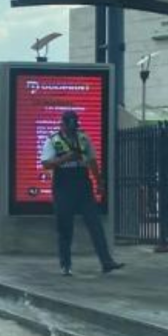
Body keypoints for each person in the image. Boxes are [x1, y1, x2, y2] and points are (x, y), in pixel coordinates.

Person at [41, 110, 124, 276]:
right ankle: (66, 265)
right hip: (63, 183)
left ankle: (106, 261)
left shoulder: (84, 138)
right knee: (65, 226)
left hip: (82, 182)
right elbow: (46, 164)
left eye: (74, 126)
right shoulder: (53, 140)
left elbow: (92, 161)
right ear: (62, 124)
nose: (72, 130)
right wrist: (66, 158)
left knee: (95, 224)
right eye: (69, 126)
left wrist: (99, 182)